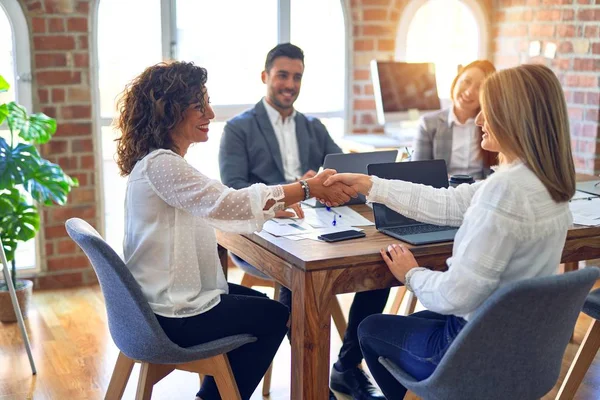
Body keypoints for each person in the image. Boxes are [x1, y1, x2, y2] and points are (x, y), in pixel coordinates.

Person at [323, 64, 575, 399]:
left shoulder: (504, 191)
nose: (479, 119)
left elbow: (455, 296)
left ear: (514, 117)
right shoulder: (548, 183)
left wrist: (412, 273)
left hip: (474, 348)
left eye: (489, 109)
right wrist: (372, 185)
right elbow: (446, 204)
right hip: (523, 344)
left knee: (371, 329)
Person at [115, 61, 356, 400]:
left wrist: (273, 208)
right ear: (169, 111)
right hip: (173, 314)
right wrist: (306, 188)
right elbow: (227, 202)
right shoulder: (162, 165)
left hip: (159, 300)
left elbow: (213, 207)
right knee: (274, 317)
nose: (210, 113)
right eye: (199, 105)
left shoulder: (158, 163)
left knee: (268, 309)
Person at [219, 43, 386, 400]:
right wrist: (295, 189)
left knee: (382, 261)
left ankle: (346, 366)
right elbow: (233, 189)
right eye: (282, 75)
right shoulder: (238, 129)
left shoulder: (313, 126)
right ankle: (312, 385)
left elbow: (343, 172)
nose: (290, 84)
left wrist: (325, 180)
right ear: (265, 77)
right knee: (299, 280)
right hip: (265, 235)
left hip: (319, 226)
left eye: (297, 77)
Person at [412, 60, 498, 180]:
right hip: (442, 193)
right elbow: (418, 172)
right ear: (456, 81)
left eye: (480, 87)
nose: (469, 92)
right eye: (466, 82)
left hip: (480, 193)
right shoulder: (428, 124)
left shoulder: (492, 126)